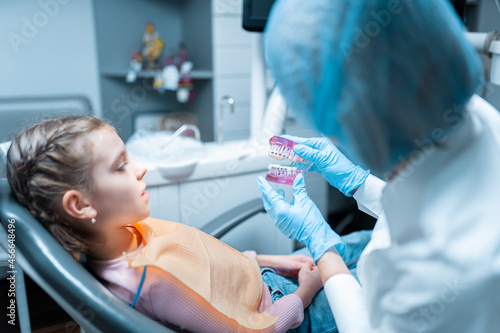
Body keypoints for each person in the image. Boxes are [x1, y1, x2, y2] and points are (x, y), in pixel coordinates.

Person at [257, 0, 500, 332]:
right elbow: (429, 194)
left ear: (359, 118)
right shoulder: (473, 113)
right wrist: (357, 182)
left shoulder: (436, 276)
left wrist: (322, 245)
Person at [6, 115, 370, 333]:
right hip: (286, 314)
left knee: (369, 238)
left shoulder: (130, 233)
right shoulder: (154, 282)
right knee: (388, 276)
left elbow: (206, 262)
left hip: (269, 279)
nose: (140, 169)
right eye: (121, 166)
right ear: (81, 204)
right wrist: (305, 291)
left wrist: (274, 261)